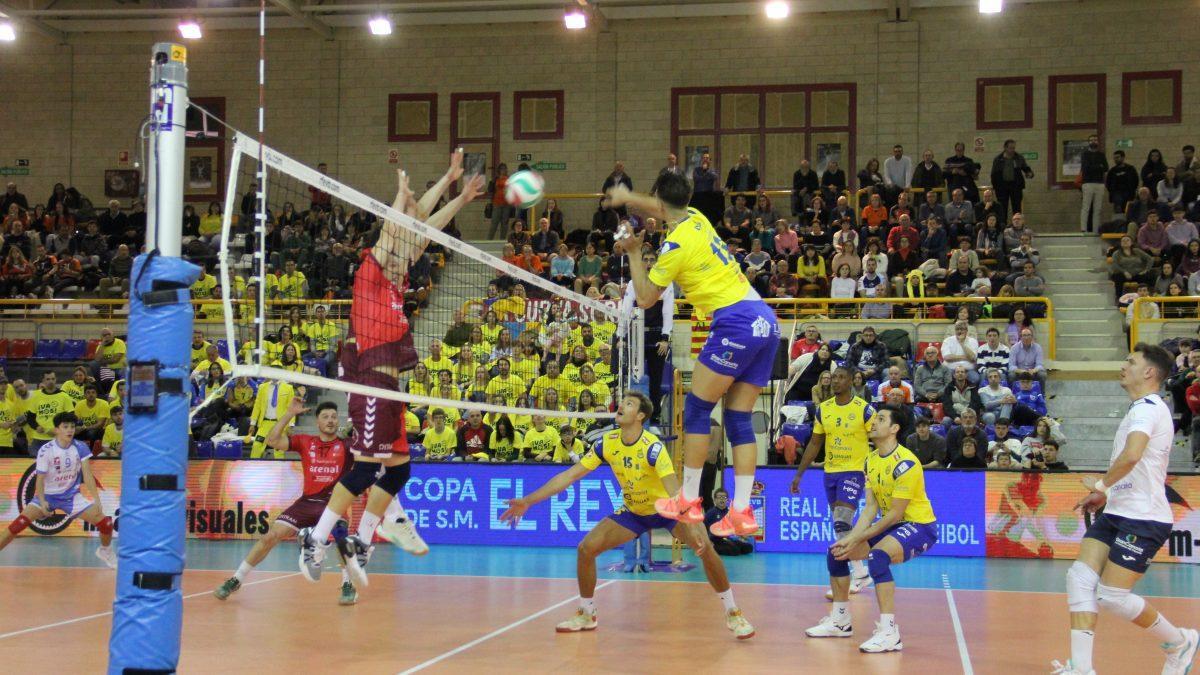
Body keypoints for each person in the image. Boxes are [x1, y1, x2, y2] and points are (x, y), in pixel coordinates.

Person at [299, 151, 482, 584]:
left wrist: (456, 188)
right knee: (365, 467)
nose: (412, 249)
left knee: (400, 469)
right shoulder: (372, 271)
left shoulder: (398, 277)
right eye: (403, 244)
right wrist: (400, 200)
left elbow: (423, 229)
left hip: (390, 386)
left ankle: (363, 540)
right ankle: (317, 538)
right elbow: (397, 229)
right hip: (367, 380)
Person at [605, 171, 779, 537]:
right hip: (765, 320)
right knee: (738, 418)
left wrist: (636, 253)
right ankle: (742, 511)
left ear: (661, 202)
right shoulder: (696, 217)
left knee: (698, 409)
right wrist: (628, 195)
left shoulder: (674, 246)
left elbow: (646, 298)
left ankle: (687, 499)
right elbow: (663, 204)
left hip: (735, 322)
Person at [501, 392, 755, 639]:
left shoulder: (653, 448)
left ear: (641, 415)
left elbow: (674, 490)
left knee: (705, 549)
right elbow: (569, 476)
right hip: (634, 512)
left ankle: (733, 612)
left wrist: (691, 520)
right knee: (586, 549)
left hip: (667, 511)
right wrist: (527, 501)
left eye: (629, 403)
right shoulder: (607, 443)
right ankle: (587, 613)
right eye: (622, 402)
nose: (621, 406)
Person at [1052, 344, 1198, 675]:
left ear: (1149, 372)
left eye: (1130, 362)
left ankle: (1179, 642)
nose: (1123, 366)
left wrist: (1102, 486)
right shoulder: (1138, 409)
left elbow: (1132, 456)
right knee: (1079, 578)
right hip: (1118, 511)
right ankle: (1082, 669)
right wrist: (1107, 495)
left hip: (1144, 518)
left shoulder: (1149, 408)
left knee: (1112, 597)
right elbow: (1135, 465)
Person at [804, 406, 938, 653]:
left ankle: (889, 633)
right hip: (893, 524)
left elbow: (895, 514)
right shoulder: (871, 460)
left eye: (881, 419)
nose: (873, 423)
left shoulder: (906, 464)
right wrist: (850, 539)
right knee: (837, 552)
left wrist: (858, 537)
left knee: (878, 557)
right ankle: (840, 621)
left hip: (919, 526)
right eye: (874, 418)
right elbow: (869, 509)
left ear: (894, 429)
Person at [214, 400, 364, 606]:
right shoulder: (305, 441)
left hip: (333, 504)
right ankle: (236, 579)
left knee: (341, 537)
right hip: (306, 503)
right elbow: (272, 440)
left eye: (333, 417)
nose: (330, 421)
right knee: (270, 536)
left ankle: (348, 584)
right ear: (317, 422)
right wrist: (288, 414)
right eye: (325, 417)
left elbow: (371, 450)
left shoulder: (347, 446)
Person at [790, 368, 876, 596]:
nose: (836, 381)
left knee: (840, 522)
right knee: (842, 525)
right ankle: (861, 572)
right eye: (833, 377)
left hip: (855, 471)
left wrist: (878, 470)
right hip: (830, 472)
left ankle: (857, 575)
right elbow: (815, 444)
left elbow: (878, 437)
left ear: (851, 381)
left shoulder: (864, 409)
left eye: (841, 377)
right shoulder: (823, 409)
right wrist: (799, 474)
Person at [0, 413, 116, 568]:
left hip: (71, 497)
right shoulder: (46, 450)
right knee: (16, 526)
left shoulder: (80, 447)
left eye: (72, 427)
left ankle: (105, 551)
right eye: (65, 427)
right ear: (56, 430)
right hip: (47, 496)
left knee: (106, 523)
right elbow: (39, 479)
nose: (70, 430)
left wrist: (97, 500)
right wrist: (42, 502)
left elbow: (87, 475)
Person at [990, 139, 1035, 218]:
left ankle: (1017, 226)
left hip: (1015, 186)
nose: (1012, 150)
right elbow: (994, 174)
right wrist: (995, 187)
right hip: (1002, 187)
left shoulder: (1018, 158)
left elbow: (1025, 168)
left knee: (1017, 208)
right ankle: (1003, 226)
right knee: (1002, 208)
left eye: (1014, 148)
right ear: (1005, 148)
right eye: (1010, 148)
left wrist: (1030, 173)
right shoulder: (998, 159)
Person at [704, 488, 753, 556]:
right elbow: (704, 529)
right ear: (715, 500)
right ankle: (711, 548)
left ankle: (733, 547)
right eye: (719, 497)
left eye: (724, 497)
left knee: (749, 548)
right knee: (734, 550)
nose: (722, 499)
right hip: (715, 540)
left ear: (727, 499)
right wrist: (708, 542)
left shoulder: (730, 512)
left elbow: (736, 527)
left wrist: (742, 536)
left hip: (728, 539)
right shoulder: (710, 513)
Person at [1079, 134, 1108, 234]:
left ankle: (1096, 230)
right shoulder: (1085, 154)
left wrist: (1095, 167)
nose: (1093, 142)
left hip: (1099, 183)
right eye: (1091, 140)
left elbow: (1106, 168)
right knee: (1086, 207)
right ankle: (1083, 229)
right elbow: (1086, 168)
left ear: (1098, 142)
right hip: (1088, 183)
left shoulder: (1101, 154)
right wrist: (1098, 167)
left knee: (1097, 209)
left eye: (1095, 140)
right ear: (1089, 142)